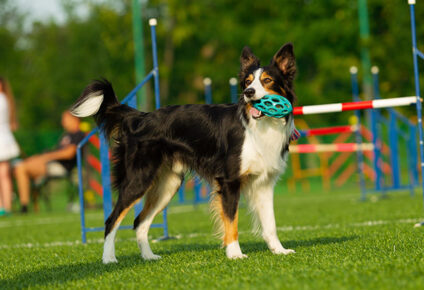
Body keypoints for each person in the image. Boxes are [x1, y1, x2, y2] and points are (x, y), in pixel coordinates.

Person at [14, 111, 85, 213]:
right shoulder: (65, 135)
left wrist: (45, 157)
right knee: (19, 167)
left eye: (65, 119)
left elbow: (69, 153)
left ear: (75, 119)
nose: (63, 122)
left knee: (21, 168)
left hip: (61, 166)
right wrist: (39, 158)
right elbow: (55, 152)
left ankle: (24, 206)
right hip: (50, 164)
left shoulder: (78, 134)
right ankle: (26, 205)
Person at [0, 77, 20, 216]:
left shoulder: (2, 99)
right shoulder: (6, 99)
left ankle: (5, 206)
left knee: (4, 175)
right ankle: (5, 206)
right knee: (4, 175)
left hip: (3, 139)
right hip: (4, 138)